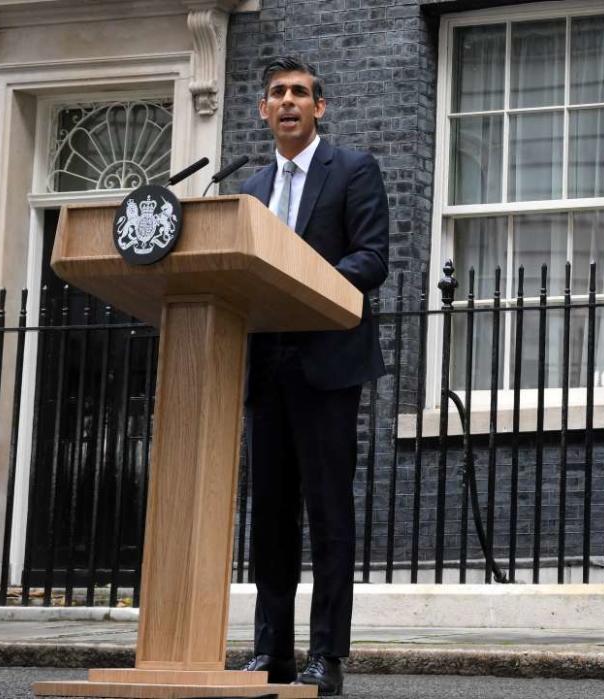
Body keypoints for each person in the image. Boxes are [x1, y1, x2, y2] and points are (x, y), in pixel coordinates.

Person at [239, 56, 389, 696]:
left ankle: (328, 654)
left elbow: (372, 257)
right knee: (269, 515)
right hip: (267, 365)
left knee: (329, 514)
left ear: (319, 108)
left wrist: (305, 279)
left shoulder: (353, 170)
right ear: (264, 111)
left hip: (327, 363)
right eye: (278, 94)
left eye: (301, 93)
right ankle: (269, 649)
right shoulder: (247, 191)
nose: (289, 102)